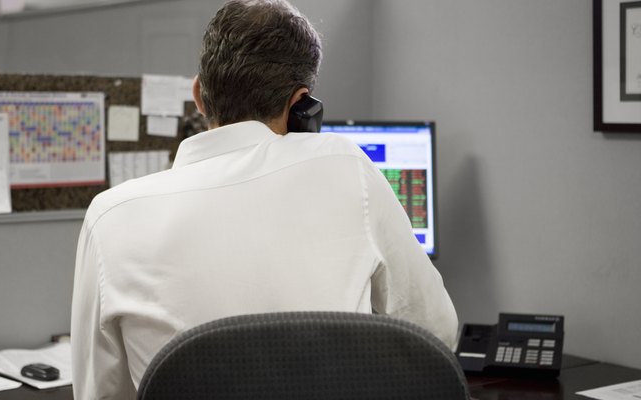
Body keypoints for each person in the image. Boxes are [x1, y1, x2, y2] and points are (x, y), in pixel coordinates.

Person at [71, 0, 458, 398]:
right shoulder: (344, 166)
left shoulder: (111, 216)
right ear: (300, 104)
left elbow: (100, 393)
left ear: (199, 95)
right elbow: (434, 333)